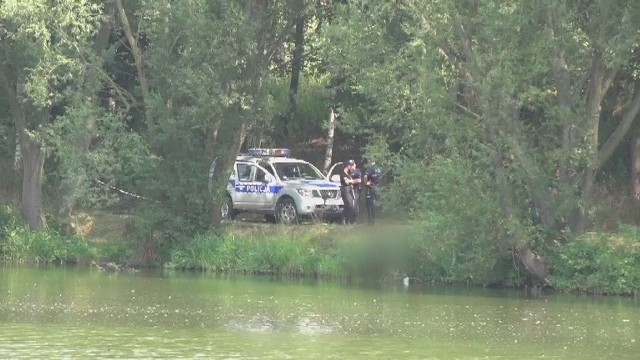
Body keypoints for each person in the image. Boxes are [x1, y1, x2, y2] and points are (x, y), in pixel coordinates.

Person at [363, 158, 382, 225]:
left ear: (370, 161)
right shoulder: (379, 169)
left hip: (370, 188)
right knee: (375, 204)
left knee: (369, 205)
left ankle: (370, 220)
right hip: (377, 188)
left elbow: (365, 176)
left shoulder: (370, 168)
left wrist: (366, 183)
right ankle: (375, 219)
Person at [339, 160, 358, 225]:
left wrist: (352, 181)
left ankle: (347, 220)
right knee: (349, 204)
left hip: (350, 189)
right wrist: (353, 181)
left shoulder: (349, 173)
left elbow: (355, 180)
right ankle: (345, 219)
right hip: (345, 189)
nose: (353, 166)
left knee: (350, 205)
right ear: (348, 166)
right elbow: (347, 182)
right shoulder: (343, 173)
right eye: (351, 165)